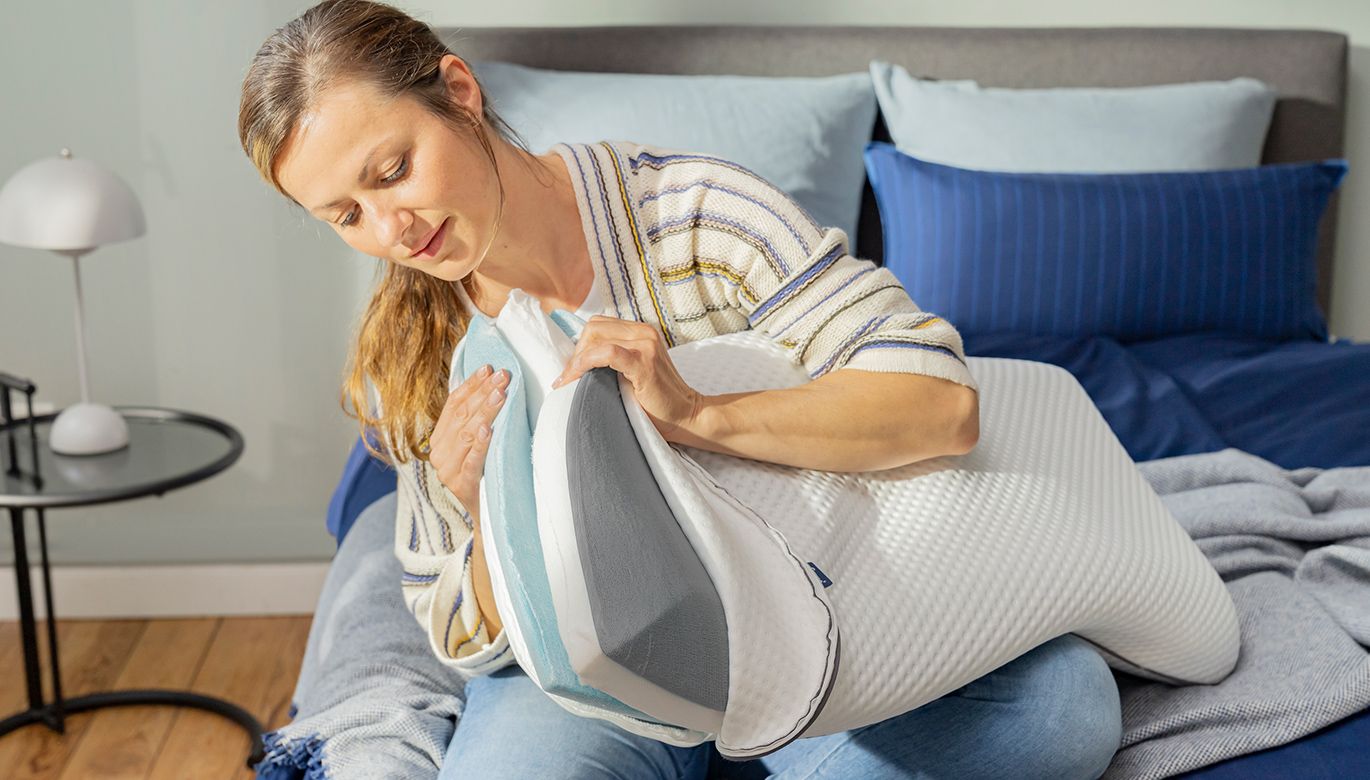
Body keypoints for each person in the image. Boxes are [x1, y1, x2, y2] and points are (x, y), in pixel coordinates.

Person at [237, 1, 1123, 777]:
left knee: (1060, 712)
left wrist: (699, 413)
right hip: (596, 682)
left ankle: (766, 751)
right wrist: (482, 516)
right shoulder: (419, 356)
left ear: (460, 92)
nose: (394, 230)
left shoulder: (692, 213)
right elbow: (455, 630)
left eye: (392, 171)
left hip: (812, 614)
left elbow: (940, 403)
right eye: (346, 216)